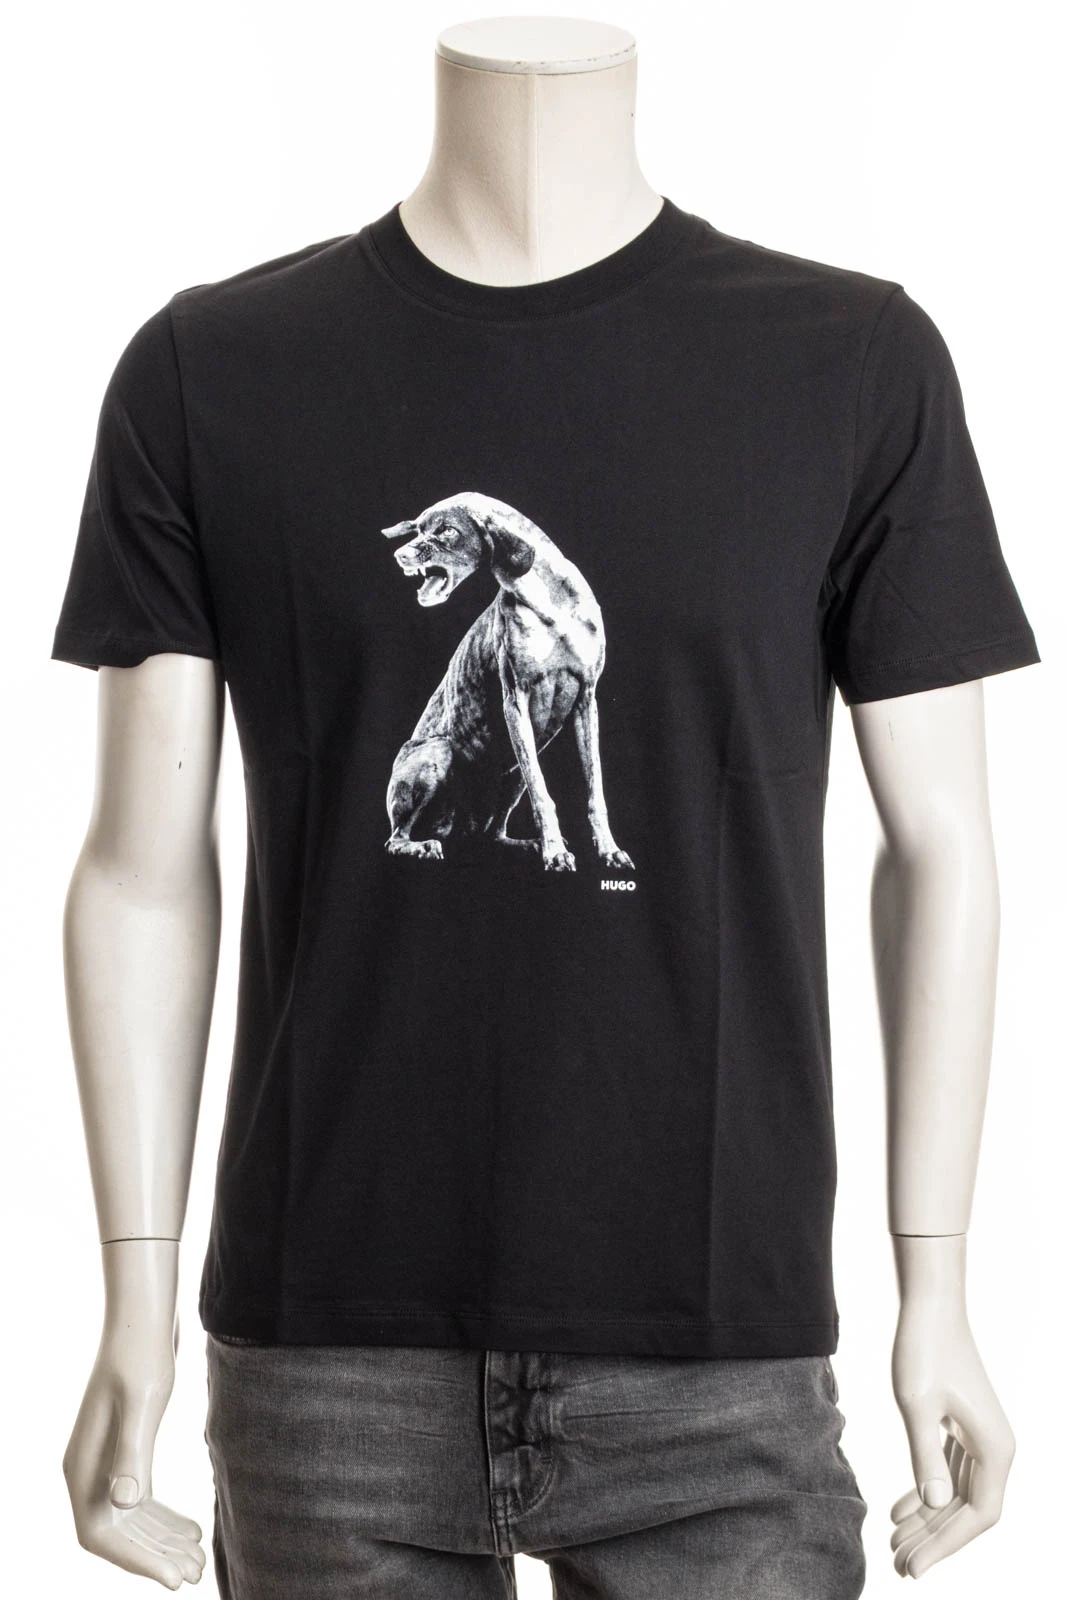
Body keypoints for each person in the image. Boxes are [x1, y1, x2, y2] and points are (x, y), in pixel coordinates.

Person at [53, 16, 1040, 1597]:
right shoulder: (209, 372)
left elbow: (942, 851)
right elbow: (139, 870)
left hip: (719, 1353)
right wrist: (132, 1298)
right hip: (327, 1348)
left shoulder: (850, 362)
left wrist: (938, 1288)